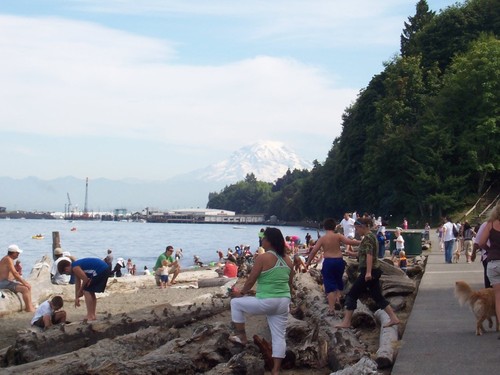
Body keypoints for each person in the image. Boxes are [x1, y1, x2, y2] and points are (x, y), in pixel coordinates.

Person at [230, 227, 295, 375]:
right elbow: (289, 284)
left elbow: (251, 279)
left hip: (267, 301)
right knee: (279, 336)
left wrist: (242, 293)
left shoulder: (263, 257)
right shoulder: (288, 260)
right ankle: (276, 370)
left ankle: (242, 336)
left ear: (269, 241)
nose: (262, 241)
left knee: (235, 304)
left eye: (263, 238)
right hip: (283, 301)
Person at [336, 217, 400, 328]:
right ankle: (394, 318)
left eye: (357, 228)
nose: (356, 231)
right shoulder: (371, 237)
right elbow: (364, 254)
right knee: (377, 296)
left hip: (370, 271)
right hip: (373, 270)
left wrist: (368, 272)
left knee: (352, 295)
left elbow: (369, 254)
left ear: (363, 227)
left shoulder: (368, 238)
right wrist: (351, 254)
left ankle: (346, 322)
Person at [305, 218, 360, 315]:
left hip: (329, 261)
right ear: (335, 227)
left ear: (324, 227)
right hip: (339, 261)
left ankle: (331, 309)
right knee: (338, 281)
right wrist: (361, 242)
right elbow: (349, 242)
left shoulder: (322, 239)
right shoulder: (338, 236)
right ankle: (337, 301)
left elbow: (314, 251)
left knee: (329, 284)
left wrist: (308, 262)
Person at [476, 201, 500, 335]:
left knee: (498, 297)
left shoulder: (490, 224)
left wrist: (490, 250)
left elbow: (481, 242)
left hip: (493, 263)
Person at [0, 244, 35, 312]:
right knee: (25, 289)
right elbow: (15, 273)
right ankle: (29, 309)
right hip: (3, 283)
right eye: (17, 253)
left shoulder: (7, 259)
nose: (18, 254)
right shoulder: (8, 259)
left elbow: (10, 274)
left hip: (5, 281)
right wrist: (25, 283)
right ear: (13, 253)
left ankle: (30, 306)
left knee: (26, 287)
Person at [472, 222, 491, 288]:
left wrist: (473, 253)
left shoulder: (486, 224)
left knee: (489, 285)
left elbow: (479, 242)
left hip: (489, 257)